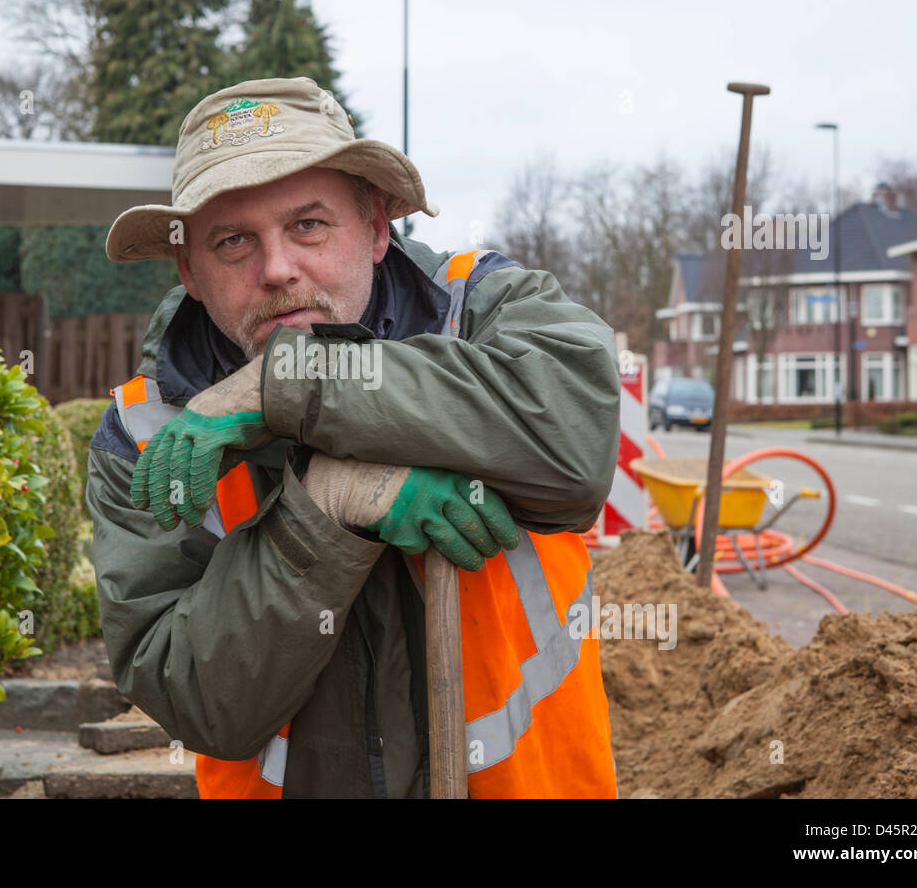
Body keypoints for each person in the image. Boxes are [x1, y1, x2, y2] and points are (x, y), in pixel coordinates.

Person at [87, 76, 622, 798]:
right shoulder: (145, 434)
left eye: (309, 225)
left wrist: (286, 387)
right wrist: (325, 504)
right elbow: (199, 702)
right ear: (189, 269)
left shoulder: (484, 310)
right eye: (234, 241)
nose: (278, 269)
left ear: (375, 229)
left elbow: (577, 448)